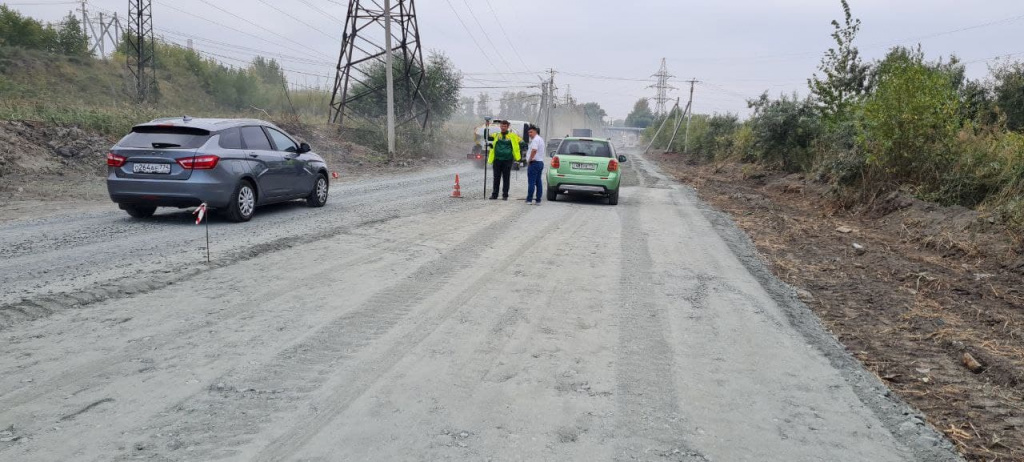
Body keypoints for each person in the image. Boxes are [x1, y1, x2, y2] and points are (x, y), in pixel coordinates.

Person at [487, 120, 522, 200]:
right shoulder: (496, 135)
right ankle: (494, 194)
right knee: (496, 178)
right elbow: (487, 137)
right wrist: (487, 126)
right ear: (500, 126)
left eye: (505, 126)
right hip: (497, 160)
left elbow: (521, 142)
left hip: (507, 160)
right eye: (502, 126)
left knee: (506, 178)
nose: (503, 128)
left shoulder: (513, 136)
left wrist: (521, 149)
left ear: (508, 127)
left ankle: (505, 195)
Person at [525, 124, 545, 205]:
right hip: (540, 162)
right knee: (538, 182)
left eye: (531, 132)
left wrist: (530, 159)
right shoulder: (540, 139)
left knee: (531, 182)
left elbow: (534, 150)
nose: (529, 134)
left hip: (534, 163)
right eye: (528, 133)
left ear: (535, 131)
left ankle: (529, 200)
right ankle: (538, 200)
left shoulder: (535, 140)